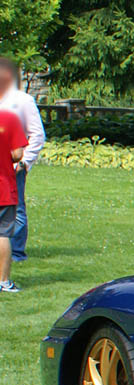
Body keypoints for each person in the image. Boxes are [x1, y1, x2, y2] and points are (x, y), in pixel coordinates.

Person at [0, 58, 44, 266]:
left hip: (12, 165)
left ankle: (16, 252)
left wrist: (25, 162)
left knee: (16, 209)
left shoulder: (23, 101)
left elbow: (37, 135)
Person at [0, 107, 27, 294]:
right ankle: (3, 281)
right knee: (2, 234)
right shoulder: (9, 118)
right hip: (3, 186)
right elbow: (18, 154)